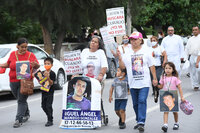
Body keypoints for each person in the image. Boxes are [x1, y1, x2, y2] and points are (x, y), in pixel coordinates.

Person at [118, 32, 158, 132]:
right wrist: (119, 58)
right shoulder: (127, 52)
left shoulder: (147, 50)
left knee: (141, 100)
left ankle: (141, 122)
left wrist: (154, 78)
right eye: (132, 39)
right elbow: (123, 67)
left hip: (144, 82)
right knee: (135, 103)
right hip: (132, 82)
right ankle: (138, 120)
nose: (133, 41)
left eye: (135, 39)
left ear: (140, 40)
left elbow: (151, 65)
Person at [0, 38, 40, 128]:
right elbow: (8, 64)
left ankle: (18, 119)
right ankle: (26, 113)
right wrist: (0, 64)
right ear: (17, 46)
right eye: (22, 47)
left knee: (21, 100)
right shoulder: (12, 54)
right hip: (13, 81)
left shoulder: (31, 55)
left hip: (26, 82)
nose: (24, 49)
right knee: (20, 99)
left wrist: (35, 65)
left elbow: (37, 66)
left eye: (26, 47)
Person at [158, 62, 185, 132]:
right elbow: (160, 86)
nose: (167, 70)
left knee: (174, 111)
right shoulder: (163, 77)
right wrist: (156, 85)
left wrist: (182, 97)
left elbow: (179, 87)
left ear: (173, 70)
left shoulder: (175, 78)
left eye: (169, 68)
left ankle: (176, 123)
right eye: (166, 68)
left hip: (173, 96)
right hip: (165, 96)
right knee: (165, 111)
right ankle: (165, 125)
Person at [150, 36, 167, 102]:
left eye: (154, 40)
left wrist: (165, 61)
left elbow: (165, 54)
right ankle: (154, 90)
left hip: (159, 65)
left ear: (157, 41)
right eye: (152, 41)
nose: (153, 42)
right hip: (151, 66)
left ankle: (157, 89)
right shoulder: (149, 49)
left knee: (157, 77)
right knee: (152, 79)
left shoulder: (160, 48)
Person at [41, 57, 56, 127]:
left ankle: (50, 120)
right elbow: (40, 80)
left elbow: (51, 83)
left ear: (51, 65)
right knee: (43, 106)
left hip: (50, 92)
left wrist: (48, 77)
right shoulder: (42, 72)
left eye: (48, 64)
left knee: (48, 106)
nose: (46, 65)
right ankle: (49, 115)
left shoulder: (52, 73)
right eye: (45, 64)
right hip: (43, 91)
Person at [185, 26, 200, 90]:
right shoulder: (190, 39)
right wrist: (185, 58)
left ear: (198, 30)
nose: (194, 31)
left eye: (196, 30)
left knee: (199, 70)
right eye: (193, 30)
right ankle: (195, 85)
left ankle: (198, 82)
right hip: (192, 56)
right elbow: (187, 49)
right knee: (193, 72)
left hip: (199, 56)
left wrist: (197, 61)